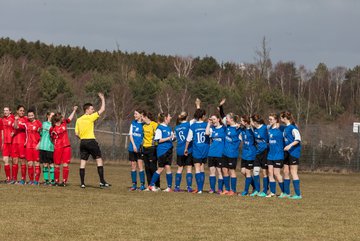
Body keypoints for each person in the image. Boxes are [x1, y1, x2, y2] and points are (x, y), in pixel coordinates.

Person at [75, 93, 111, 188]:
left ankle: (82, 183)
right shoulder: (90, 117)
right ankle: (102, 181)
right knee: (99, 160)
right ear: (87, 110)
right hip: (91, 142)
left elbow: (76, 134)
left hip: (82, 142)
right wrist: (103, 98)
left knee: (83, 162)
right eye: (91, 109)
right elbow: (102, 109)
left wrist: (83, 138)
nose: (93, 110)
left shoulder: (78, 120)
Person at [218, 100, 241, 195]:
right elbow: (222, 115)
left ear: (231, 119)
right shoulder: (227, 126)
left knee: (232, 171)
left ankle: (233, 190)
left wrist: (241, 125)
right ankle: (227, 189)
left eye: (227, 118)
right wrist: (221, 106)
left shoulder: (238, 129)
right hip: (225, 153)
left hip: (232, 154)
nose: (226, 120)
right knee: (224, 170)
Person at [50, 106, 77, 186]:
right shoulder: (52, 129)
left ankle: (64, 181)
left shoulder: (64, 123)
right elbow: (51, 138)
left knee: (65, 164)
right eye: (61, 117)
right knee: (57, 164)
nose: (63, 118)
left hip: (66, 146)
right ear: (58, 119)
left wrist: (74, 110)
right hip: (58, 147)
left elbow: (69, 119)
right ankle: (56, 181)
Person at [184, 108, 209, 194]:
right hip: (205, 149)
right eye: (205, 115)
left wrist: (186, 148)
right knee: (202, 168)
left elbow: (188, 139)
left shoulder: (193, 126)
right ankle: (201, 189)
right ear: (202, 116)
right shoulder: (207, 125)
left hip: (197, 149)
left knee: (197, 168)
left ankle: (199, 189)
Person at [148, 113, 174, 192]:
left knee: (168, 167)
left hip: (169, 150)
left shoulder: (169, 128)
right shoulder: (160, 128)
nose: (170, 117)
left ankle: (169, 187)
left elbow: (170, 139)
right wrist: (168, 138)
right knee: (160, 168)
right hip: (162, 151)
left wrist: (173, 138)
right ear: (165, 118)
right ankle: (151, 185)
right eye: (169, 116)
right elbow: (158, 140)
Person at [280, 111, 302, 200]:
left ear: (285, 118)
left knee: (293, 172)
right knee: (285, 171)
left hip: (293, 152)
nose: (280, 119)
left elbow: (298, 140)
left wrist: (289, 146)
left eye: (281, 117)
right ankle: (287, 193)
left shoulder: (293, 128)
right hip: (287, 153)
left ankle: (298, 194)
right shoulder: (285, 128)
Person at [205, 114, 226, 194]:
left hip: (220, 154)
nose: (213, 121)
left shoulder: (224, 129)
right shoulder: (211, 129)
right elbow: (206, 133)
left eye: (214, 119)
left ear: (218, 119)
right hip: (211, 153)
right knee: (212, 171)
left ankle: (220, 189)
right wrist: (208, 123)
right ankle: (212, 189)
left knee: (220, 172)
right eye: (212, 119)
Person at [174, 112, 193, 192]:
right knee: (189, 168)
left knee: (179, 168)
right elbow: (197, 118)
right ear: (187, 117)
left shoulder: (176, 127)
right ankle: (189, 187)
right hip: (188, 149)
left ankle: (177, 187)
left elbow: (174, 138)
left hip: (179, 149)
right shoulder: (189, 124)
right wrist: (198, 106)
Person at [266, 113, 285, 198]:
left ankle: (284, 192)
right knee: (270, 173)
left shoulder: (281, 128)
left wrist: (280, 125)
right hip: (270, 155)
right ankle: (272, 192)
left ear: (276, 120)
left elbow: (294, 126)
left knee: (277, 174)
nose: (269, 121)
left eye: (271, 119)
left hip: (278, 155)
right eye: (269, 119)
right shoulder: (269, 128)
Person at [250, 114, 269, 197]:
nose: (250, 122)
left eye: (251, 121)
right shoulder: (254, 129)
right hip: (258, 153)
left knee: (265, 172)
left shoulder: (265, 128)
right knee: (255, 171)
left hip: (265, 152)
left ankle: (265, 190)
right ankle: (257, 190)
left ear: (254, 122)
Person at [141, 110, 160, 191]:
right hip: (145, 148)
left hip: (152, 149)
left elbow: (158, 136)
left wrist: (155, 145)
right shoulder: (144, 126)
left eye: (142, 116)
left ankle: (156, 186)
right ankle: (149, 186)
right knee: (147, 168)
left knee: (153, 167)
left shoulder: (155, 125)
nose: (141, 118)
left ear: (146, 117)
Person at [239, 115, 257, 196]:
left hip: (251, 153)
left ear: (246, 122)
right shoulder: (242, 129)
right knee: (243, 171)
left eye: (242, 120)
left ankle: (245, 191)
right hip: (244, 154)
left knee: (248, 172)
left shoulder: (252, 130)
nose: (240, 122)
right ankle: (255, 186)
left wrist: (251, 123)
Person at [22, 109, 42, 185]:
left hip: (36, 146)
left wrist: (39, 143)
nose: (30, 117)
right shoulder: (26, 124)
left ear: (34, 115)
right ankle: (31, 180)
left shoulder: (38, 123)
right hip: (28, 146)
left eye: (32, 115)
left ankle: (36, 181)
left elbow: (42, 134)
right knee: (30, 163)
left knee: (37, 163)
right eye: (29, 115)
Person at [128, 110, 145, 191]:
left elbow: (145, 137)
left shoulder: (144, 125)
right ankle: (134, 184)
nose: (134, 115)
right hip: (132, 147)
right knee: (133, 165)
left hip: (140, 149)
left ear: (140, 115)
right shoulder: (133, 123)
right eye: (134, 113)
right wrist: (134, 145)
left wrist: (140, 145)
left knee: (140, 165)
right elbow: (130, 135)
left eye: (136, 114)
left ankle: (142, 185)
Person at [13, 105, 28, 184]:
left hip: (22, 142)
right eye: (20, 110)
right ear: (17, 111)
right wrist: (15, 120)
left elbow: (17, 127)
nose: (22, 112)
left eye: (23, 110)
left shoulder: (26, 119)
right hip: (15, 142)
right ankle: (14, 179)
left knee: (22, 160)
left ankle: (23, 179)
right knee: (14, 160)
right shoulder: (14, 118)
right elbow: (14, 127)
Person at [39, 112, 55, 185]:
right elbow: (41, 134)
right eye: (52, 115)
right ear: (48, 116)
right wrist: (40, 130)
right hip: (43, 146)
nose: (53, 117)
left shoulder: (54, 125)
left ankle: (52, 180)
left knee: (51, 164)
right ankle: (46, 180)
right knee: (45, 164)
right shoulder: (44, 123)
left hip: (50, 147)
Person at [1, 107, 14, 183]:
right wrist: (2, 142)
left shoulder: (12, 119)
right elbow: (2, 131)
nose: (5, 112)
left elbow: (15, 128)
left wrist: (13, 132)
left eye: (6, 110)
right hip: (5, 142)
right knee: (5, 160)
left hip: (11, 142)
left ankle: (13, 178)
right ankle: (8, 178)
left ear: (10, 111)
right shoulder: (3, 120)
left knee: (13, 160)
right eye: (4, 110)